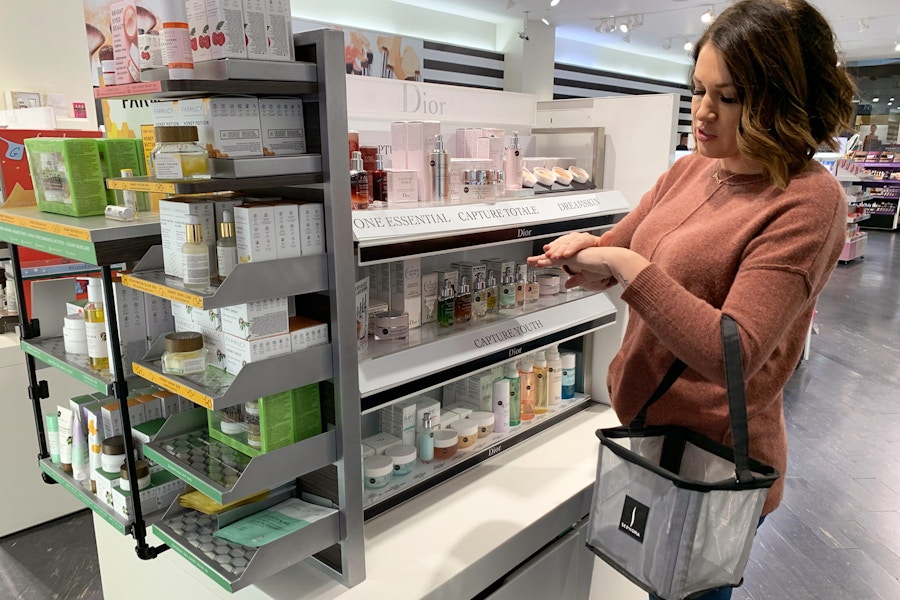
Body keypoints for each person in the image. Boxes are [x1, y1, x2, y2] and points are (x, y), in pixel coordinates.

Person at [528, 1, 854, 598]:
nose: (701, 112)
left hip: (714, 458)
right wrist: (585, 253)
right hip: (650, 432)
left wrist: (626, 266)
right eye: (698, 89)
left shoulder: (808, 200)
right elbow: (618, 250)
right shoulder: (693, 172)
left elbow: (735, 348)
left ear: (780, 101)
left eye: (727, 98)